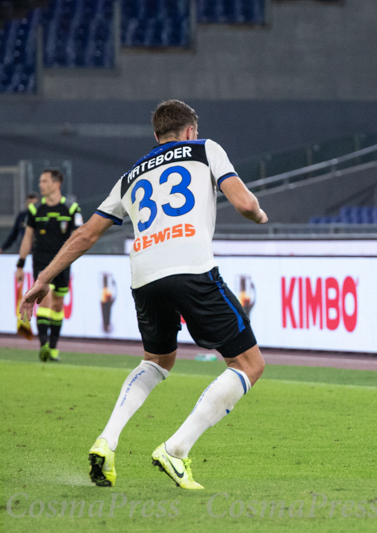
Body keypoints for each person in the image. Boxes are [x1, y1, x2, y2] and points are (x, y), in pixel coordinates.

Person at [19, 100, 269, 490]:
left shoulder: (130, 176)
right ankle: (176, 449)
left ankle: (107, 439)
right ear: (190, 131)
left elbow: (85, 236)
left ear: (156, 136)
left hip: (144, 277)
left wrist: (42, 281)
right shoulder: (206, 149)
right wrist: (258, 214)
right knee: (249, 364)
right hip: (191, 269)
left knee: (157, 360)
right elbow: (244, 202)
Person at [15, 171, 81, 362]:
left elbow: (78, 235)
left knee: (58, 304)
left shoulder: (72, 209)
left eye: (44, 181)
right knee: (45, 300)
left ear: (56, 183)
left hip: (62, 262)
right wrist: (20, 264)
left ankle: (53, 348)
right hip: (41, 261)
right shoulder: (35, 210)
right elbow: (27, 237)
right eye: (40, 181)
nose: (41, 185)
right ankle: (43, 345)